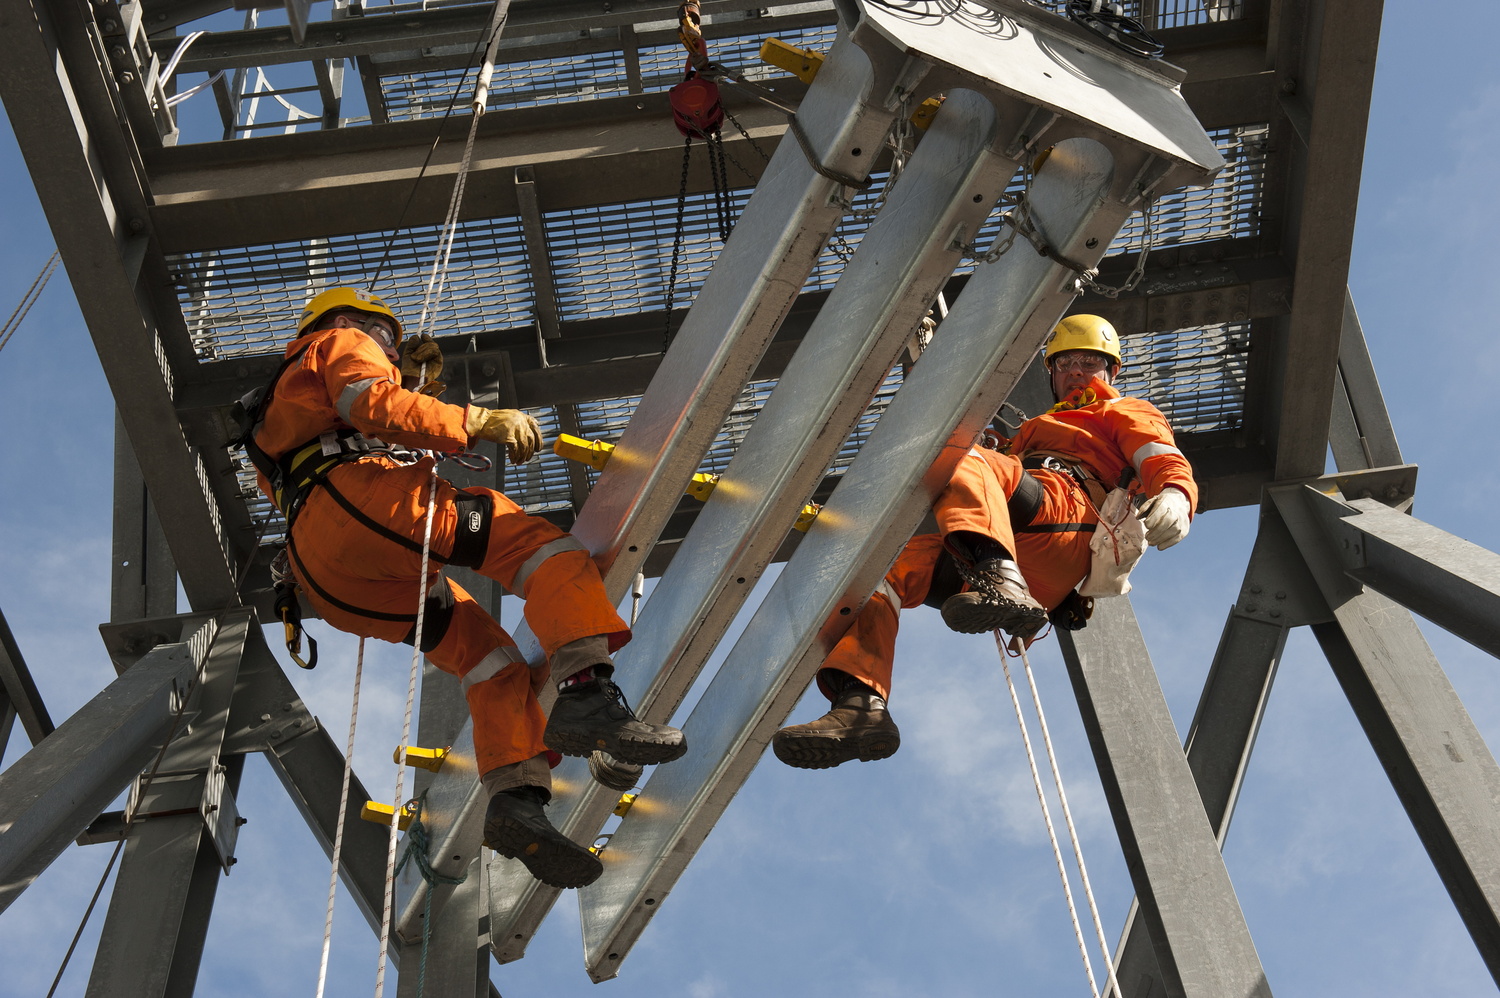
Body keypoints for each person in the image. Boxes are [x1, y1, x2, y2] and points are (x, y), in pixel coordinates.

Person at [247, 286, 686, 889]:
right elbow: (372, 404)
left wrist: (419, 387)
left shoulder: (276, 405)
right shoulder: (339, 339)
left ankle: (515, 800)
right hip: (363, 508)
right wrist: (477, 420)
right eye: (385, 338)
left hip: (328, 573)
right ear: (349, 319)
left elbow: (362, 423)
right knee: (543, 551)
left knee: (490, 662)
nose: (387, 351)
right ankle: (585, 690)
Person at [771, 314, 1196, 769]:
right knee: (877, 572)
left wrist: (1175, 495)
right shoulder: (1028, 436)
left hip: (1069, 518)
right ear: (1051, 372)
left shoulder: (1119, 410)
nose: (1075, 370)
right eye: (1065, 361)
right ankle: (860, 707)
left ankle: (998, 575)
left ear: (1111, 371)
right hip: (1021, 545)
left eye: (1089, 361)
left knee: (958, 454)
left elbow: (1160, 453)